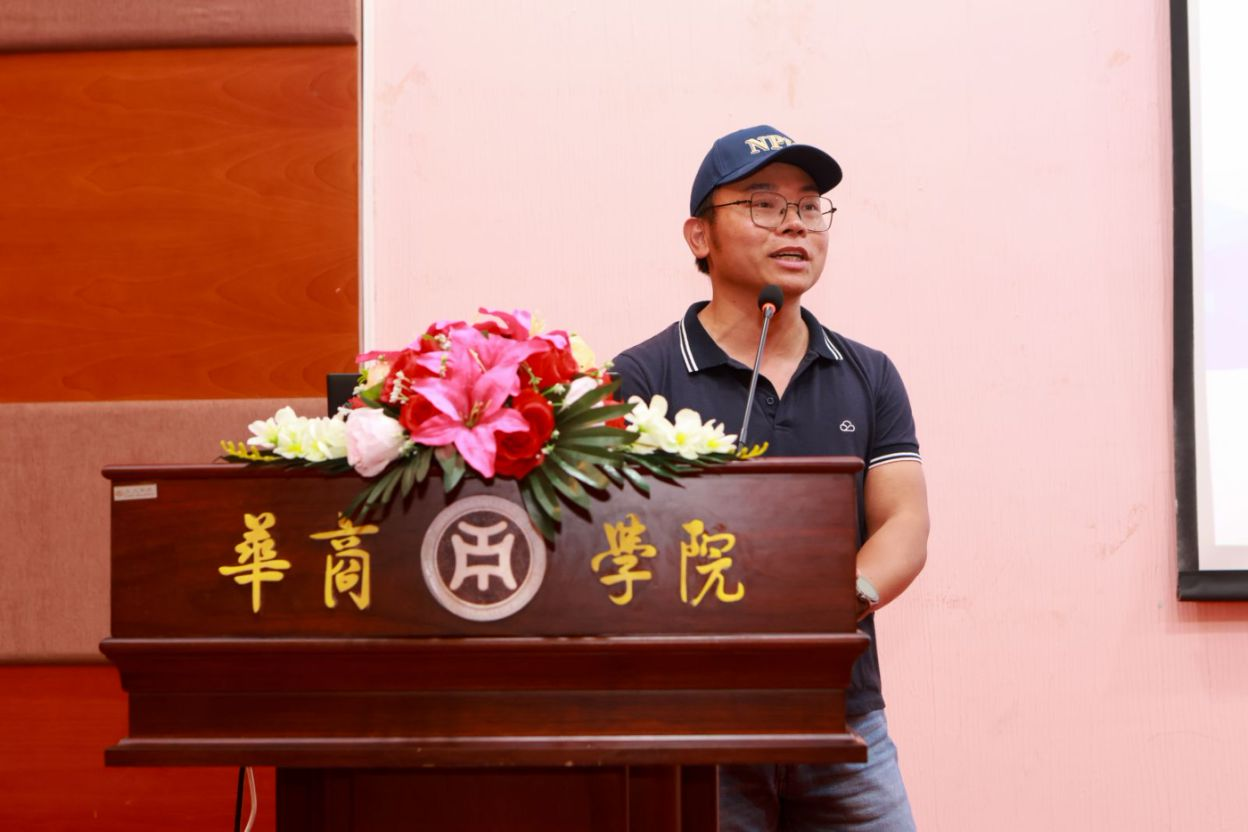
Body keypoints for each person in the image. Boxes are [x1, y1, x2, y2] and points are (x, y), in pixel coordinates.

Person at [611, 125, 930, 831]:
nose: (795, 224)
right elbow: (612, 546)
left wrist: (834, 604)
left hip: (844, 717)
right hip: (697, 728)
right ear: (699, 236)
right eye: (763, 204)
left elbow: (903, 522)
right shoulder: (640, 378)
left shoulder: (868, 373)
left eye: (809, 206)